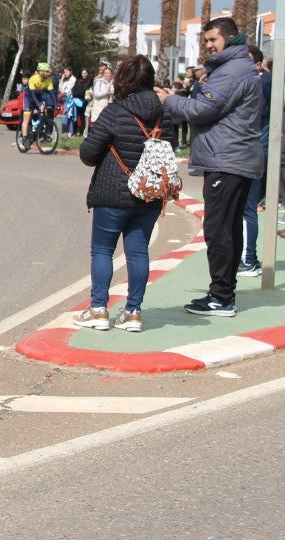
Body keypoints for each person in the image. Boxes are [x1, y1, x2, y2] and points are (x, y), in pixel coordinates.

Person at [156, 17, 264, 317]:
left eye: (213, 40)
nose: (208, 45)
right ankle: (223, 293)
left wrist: (170, 100)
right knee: (228, 228)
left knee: (218, 230)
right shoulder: (236, 67)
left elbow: (203, 109)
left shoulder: (231, 70)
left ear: (228, 39)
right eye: (205, 41)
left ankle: (221, 297)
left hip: (227, 159)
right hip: (234, 157)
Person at [74, 55, 165, 332]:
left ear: (122, 80)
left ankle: (99, 309)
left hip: (113, 193)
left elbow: (88, 154)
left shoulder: (115, 112)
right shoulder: (163, 113)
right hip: (149, 194)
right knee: (138, 254)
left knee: (102, 249)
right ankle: (133, 312)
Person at [237, 46, 272, 277]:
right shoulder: (261, 82)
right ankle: (249, 258)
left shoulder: (263, 84)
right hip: (252, 149)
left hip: (254, 151)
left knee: (248, 208)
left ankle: (249, 260)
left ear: (258, 65)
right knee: (245, 208)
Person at [20, 62, 56, 146]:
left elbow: (52, 93)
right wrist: (39, 104)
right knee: (27, 117)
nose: (49, 73)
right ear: (41, 72)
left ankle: (42, 132)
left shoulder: (48, 80)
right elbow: (32, 93)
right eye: (47, 71)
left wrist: (56, 104)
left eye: (49, 71)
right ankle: (24, 137)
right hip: (29, 98)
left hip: (38, 96)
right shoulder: (33, 79)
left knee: (44, 113)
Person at [89, 64, 113, 130]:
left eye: (108, 73)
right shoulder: (99, 82)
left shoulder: (113, 83)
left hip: (109, 106)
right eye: (105, 73)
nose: (107, 74)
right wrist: (106, 92)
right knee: (98, 126)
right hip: (99, 106)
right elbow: (96, 94)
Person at [71, 68, 90, 135]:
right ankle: (74, 131)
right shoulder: (78, 81)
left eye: (85, 73)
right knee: (75, 116)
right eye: (83, 73)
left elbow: (84, 91)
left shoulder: (88, 82)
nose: (84, 74)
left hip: (83, 101)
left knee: (83, 117)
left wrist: (76, 94)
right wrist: (73, 96)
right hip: (76, 101)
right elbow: (73, 89)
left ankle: (82, 132)